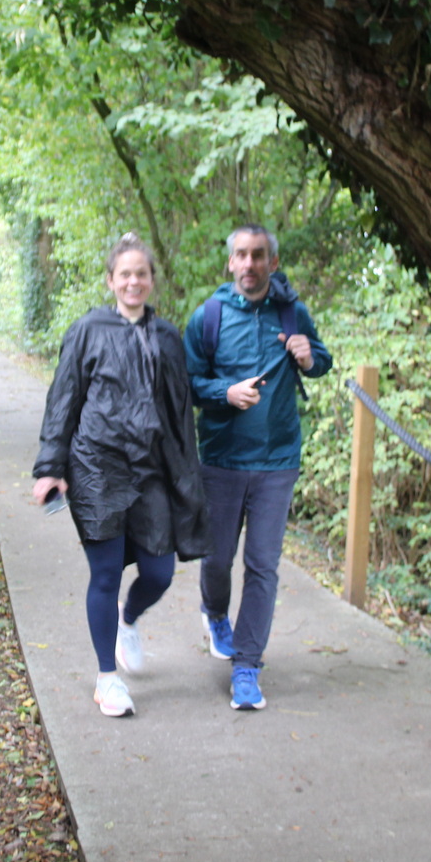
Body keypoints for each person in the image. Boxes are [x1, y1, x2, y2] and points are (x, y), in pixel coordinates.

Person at [33, 233, 208, 717]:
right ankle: (107, 679)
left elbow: (181, 405)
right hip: (96, 466)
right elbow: (64, 398)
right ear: (111, 280)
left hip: (151, 470)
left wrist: (186, 471)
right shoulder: (87, 330)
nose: (134, 281)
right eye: (125, 274)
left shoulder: (167, 336)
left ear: (151, 280)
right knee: (106, 572)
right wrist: (50, 467)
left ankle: (127, 620)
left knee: (159, 572)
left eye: (141, 273)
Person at [184, 223, 332, 710]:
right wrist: (224, 392)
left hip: (277, 461)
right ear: (231, 262)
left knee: (263, 566)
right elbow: (186, 382)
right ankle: (214, 613)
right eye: (242, 255)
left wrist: (309, 358)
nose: (250, 263)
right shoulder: (208, 316)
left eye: (259, 255)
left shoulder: (292, 312)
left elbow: (321, 360)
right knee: (217, 558)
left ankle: (247, 667)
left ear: (273, 262)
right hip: (221, 459)